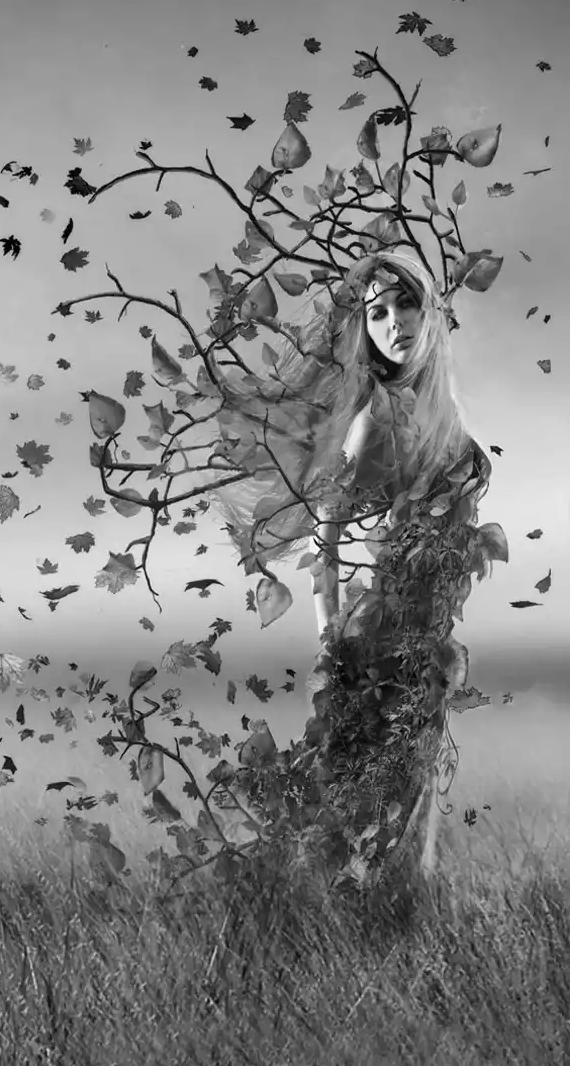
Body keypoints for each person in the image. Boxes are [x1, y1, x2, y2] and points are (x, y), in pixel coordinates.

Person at [204, 248, 496, 891]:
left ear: (430, 309)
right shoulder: (375, 420)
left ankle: (389, 919)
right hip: (386, 635)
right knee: (372, 796)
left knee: (410, 793)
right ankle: (332, 917)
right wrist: (332, 644)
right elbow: (325, 538)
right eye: (378, 313)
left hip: (429, 630)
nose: (396, 323)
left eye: (407, 304)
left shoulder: (441, 413)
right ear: (362, 329)